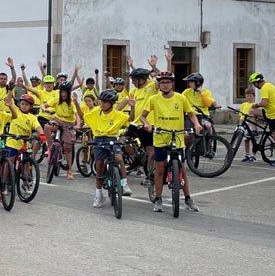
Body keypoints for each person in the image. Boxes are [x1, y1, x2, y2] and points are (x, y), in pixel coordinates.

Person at [140, 71, 202, 213]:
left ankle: (187, 199)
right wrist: (147, 124)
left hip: (177, 137)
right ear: (159, 85)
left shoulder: (180, 98)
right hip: (161, 137)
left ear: (172, 84)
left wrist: (196, 124)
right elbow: (143, 116)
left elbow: (191, 114)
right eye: (162, 82)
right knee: (160, 168)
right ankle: (158, 199)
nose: (165, 85)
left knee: (182, 168)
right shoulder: (154, 99)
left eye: (168, 82)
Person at [84, 89, 134, 207]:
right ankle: (98, 195)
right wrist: (76, 103)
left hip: (111, 139)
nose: (101, 103)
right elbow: (85, 117)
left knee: (118, 157)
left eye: (104, 102)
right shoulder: (97, 111)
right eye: (101, 101)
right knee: (99, 167)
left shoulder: (117, 114)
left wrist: (133, 107)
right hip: (99, 139)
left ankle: (124, 183)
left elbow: (130, 119)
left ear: (111, 103)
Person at [250, 72, 275, 166]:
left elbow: (264, 103)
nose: (254, 86)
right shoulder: (270, 85)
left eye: (254, 84)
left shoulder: (264, 88)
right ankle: (255, 131)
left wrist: (256, 104)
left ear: (257, 82)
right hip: (270, 113)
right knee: (252, 112)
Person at [239, 88, 258, 162]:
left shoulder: (255, 105)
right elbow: (241, 115)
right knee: (246, 139)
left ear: (254, 96)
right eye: (247, 96)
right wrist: (240, 124)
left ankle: (253, 155)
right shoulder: (243, 105)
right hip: (244, 123)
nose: (249, 97)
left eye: (251, 96)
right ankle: (247, 154)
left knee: (253, 140)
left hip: (252, 123)